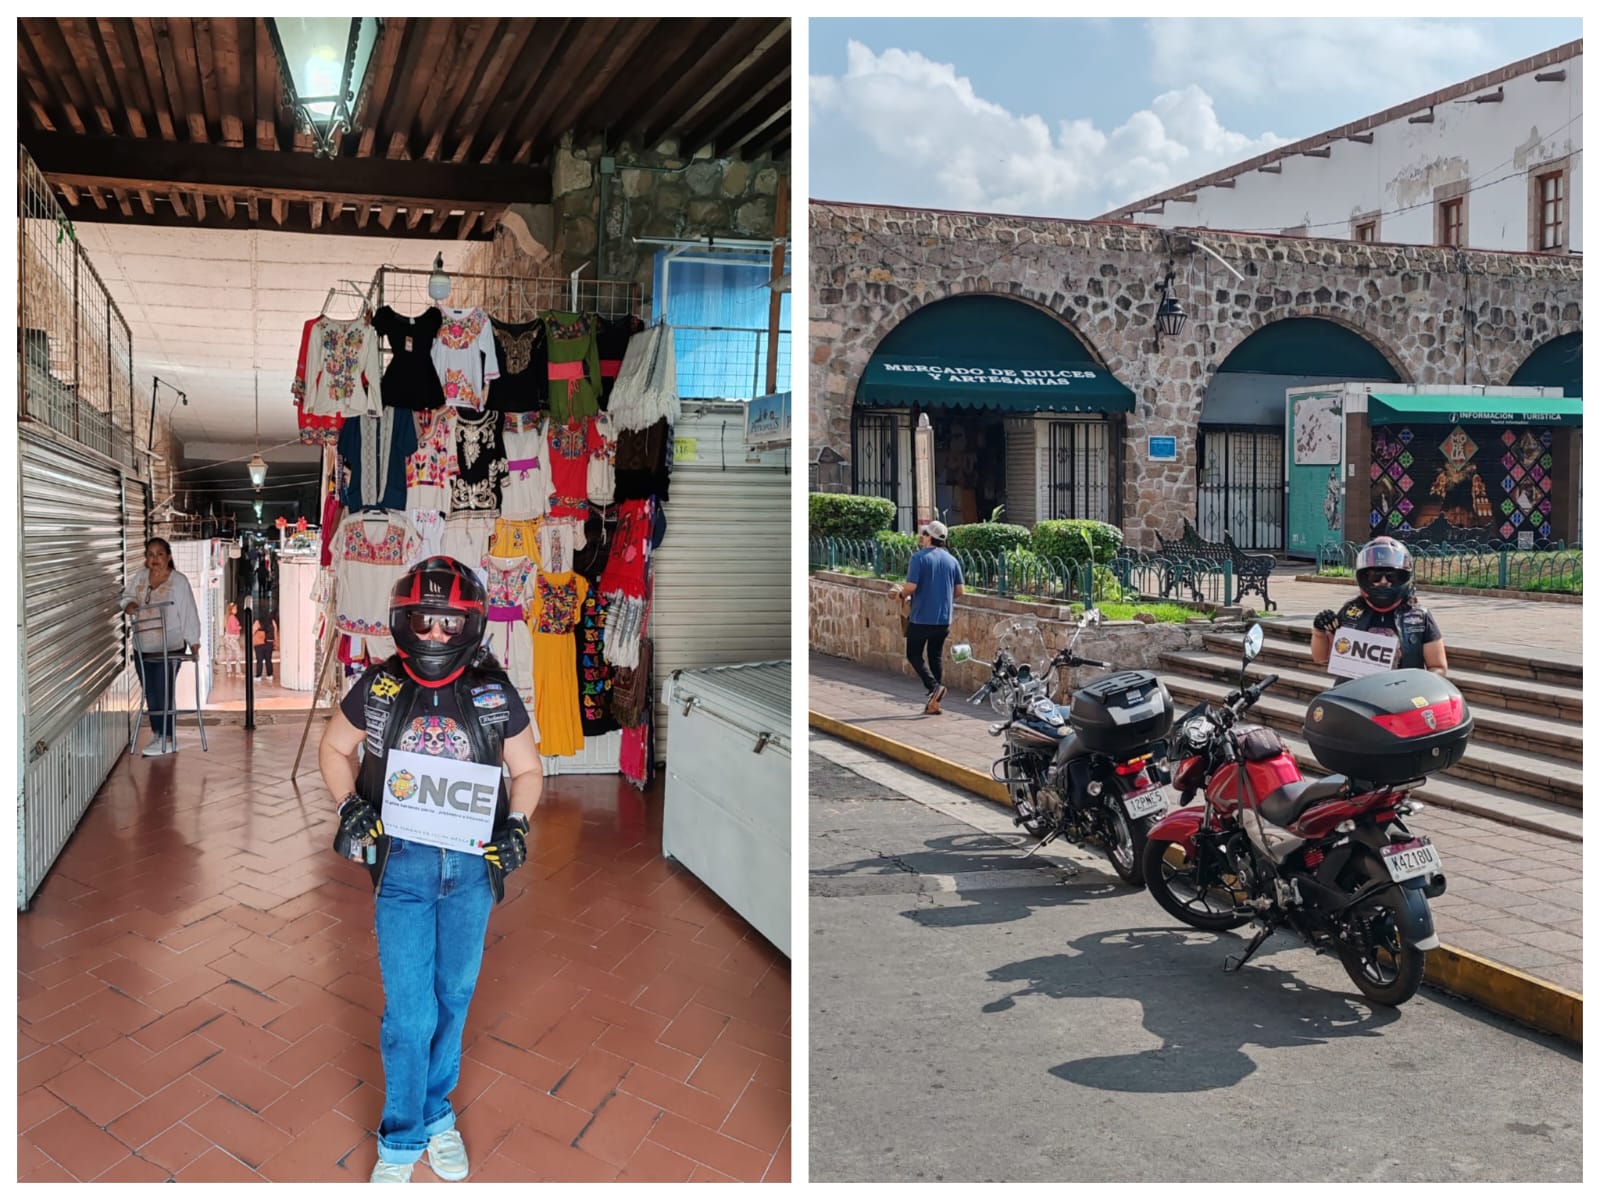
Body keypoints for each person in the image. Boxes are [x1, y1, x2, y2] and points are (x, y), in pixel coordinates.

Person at [319, 556, 543, 1183]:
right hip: (403, 873)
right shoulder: (380, 688)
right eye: (425, 621)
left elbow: (527, 772)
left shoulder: (494, 693)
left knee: (455, 996)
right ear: (404, 621)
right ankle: (400, 1136)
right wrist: (349, 805)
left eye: (450, 622)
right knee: (409, 1013)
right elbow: (333, 749)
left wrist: (519, 824)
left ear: (470, 624)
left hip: (472, 872)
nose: (437, 635)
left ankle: (437, 1109)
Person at [1311, 535, 1448, 678]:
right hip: (1356, 694)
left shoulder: (1420, 617)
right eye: (1375, 576)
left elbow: (1438, 667)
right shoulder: (1350, 612)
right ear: (1363, 577)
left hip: (1402, 696)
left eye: (1391, 576)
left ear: (1404, 577)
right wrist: (1319, 631)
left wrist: (1419, 684)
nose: (1383, 582)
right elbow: (1321, 658)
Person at [120, 537, 201, 757]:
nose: (155, 559)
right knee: (151, 692)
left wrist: (194, 642)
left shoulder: (179, 581)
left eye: (160, 554)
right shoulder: (140, 578)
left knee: (163, 690)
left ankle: (167, 737)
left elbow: (188, 612)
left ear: (169, 556)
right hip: (142, 646)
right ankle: (158, 733)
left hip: (170, 646)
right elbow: (126, 596)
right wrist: (129, 605)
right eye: (150, 554)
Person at [890, 519, 965, 714]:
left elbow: (911, 587)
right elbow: (960, 591)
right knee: (935, 656)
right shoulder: (952, 560)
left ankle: (934, 687)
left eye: (924, 534)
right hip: (944, 619)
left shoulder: (919, 558)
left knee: (913, 654)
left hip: (922, 617)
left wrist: (900, 594)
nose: (921, 537)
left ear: (929, 537)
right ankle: (935, 703)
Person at [254, 610, 278, 680]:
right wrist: (275, 643)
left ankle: (259, 676)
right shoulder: (272, 622)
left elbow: (253, 631)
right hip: (269, 643)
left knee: (259, 660)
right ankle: (269, 675)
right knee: (268, 659)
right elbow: (275, 632)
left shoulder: (258, 622)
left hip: (259, 644)